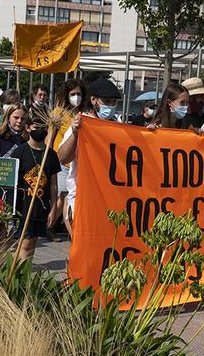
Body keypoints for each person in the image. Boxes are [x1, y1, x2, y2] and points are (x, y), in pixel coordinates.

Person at [57, 78, 122, 230]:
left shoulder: (118, 126)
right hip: (83, 199)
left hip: (109, 202)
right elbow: (63, 157)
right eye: (106, 101)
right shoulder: (82, 123)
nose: (110, 106)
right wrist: (74, 134)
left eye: (114, 102)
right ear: (93, 100)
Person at [10, 120, 61, 261]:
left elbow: (53, 184)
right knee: (25, 244)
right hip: (24, 205)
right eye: (36, 126)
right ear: (27, 128)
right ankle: (15, 274)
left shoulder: (51, 154)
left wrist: (53, 208)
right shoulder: (20, 152)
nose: (40, 130)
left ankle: (24, 273)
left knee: (32, 244)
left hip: (41, 206)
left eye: (43, 127)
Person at [49, 78, 87, 238]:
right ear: (66, 95)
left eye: (79, 93)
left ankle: (63, 228)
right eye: (73, 94)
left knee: (66, 197)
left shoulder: (84, 113)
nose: (76, 97)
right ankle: (58, 226)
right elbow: (50, 137)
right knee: (64, 196)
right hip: (61, 161)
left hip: (78, 162)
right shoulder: (59, 113)